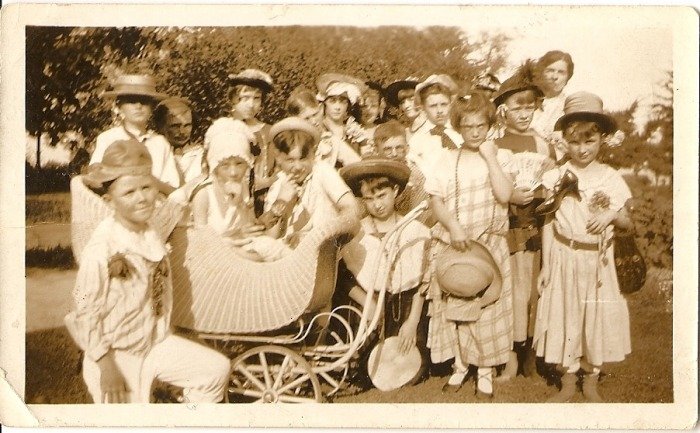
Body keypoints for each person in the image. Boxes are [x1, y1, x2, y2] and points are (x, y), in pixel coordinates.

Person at [65, 138, 231, 404]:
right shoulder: (102, 248)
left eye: (146, 188)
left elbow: (175, 203)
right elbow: (84, 313)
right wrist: (106, 365)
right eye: (129, 193)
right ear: (110, 201)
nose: (142, 198)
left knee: (214, 370)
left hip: (154, 343)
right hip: (116, 354)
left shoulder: (149, 230)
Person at [534, 92, 633, 403]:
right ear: (565, 141)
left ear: (601, 140)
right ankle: (567, 379)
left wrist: (611, 215)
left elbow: (629, 223)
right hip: (564, 257)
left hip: (597, 262)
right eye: (575, 142)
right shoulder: (555, 177)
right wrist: (547, 267)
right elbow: (548, 223)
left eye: (589, 141)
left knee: (595, 316)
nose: (583, 149)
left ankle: (590, 378)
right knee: (566, 315)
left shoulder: (611, 178)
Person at [424, 91, 513, 399]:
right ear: (458, 128)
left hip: (489, 244)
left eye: (481, 126)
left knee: (486, 310)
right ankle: (460, 366)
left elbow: (504, 195)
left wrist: (490, 157)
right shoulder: (448, 159)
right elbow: (437, 201)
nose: (475, 132)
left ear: (489, 125)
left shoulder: (500, 156)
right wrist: (454, 227)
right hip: (457, 241)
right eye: (468, 127)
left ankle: (485, 371)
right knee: (458, 306)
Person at [339, 157, 431, 383]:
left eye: (382, 196)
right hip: (369, 305)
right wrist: (368, 304)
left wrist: (412, 322)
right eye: (369, 199)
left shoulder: (414, 230)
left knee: (411, 368)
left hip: (406, 305)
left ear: (396, 191)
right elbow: (345, 278)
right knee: (367, 371)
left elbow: (422, 283)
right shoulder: (357, 234)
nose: (377, 205)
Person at [491, 65, 556, 380]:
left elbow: (553, 184)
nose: (524, 113)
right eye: (517, 107)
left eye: (529, 107)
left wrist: (541, 192)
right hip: (507, 223)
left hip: (536, 223)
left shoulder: (543, 145)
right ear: (504, 109)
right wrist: (511, 196)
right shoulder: (496, 145)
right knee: (511, 289)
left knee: (533, 289)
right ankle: (511, 356)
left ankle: (530, 352)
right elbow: (492, 186)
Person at [264, 117, 361, 247]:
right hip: (290, 258)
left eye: (303, 159)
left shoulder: (321, 171)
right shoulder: (278, 186)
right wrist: (281, 202)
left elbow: (351, 207)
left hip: (326, 248)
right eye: (290, 160)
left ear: (313, 155)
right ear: (279, 159)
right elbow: (270, 240)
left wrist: (319, 235)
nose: (297, 167)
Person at [90, 74, 180, 194]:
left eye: (144, 102)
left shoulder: (160, 143)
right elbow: (94, 176)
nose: (138, 106)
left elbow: (173, 189)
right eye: (131, 101)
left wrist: (148, 180)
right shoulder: (108, 138)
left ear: (152, 108)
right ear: (119, 107)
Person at [209, 69, 276, 216]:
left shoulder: (268, 132)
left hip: (264, 199)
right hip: (230, 198)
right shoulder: (223, 129)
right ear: (233, 98)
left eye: (256, 98)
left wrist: (267, 182)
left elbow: (277, 170)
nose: (251, 104)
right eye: (245, 98)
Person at [373, 120, 431, 224]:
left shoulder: (416, 176)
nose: (394, 154)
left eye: (399, 148)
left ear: (407, 148)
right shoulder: (371, 175)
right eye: (387, 149)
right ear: (376, 150)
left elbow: (420, 217)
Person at [407, 74, 464, 177]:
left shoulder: (461, 132)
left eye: (444, 104)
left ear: (450, 104)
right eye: (433, 106)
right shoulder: (416, 142)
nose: (439, 111)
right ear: (423, 108)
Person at [315, 73, 367, 168]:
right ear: (324, 104)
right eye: (332, 101)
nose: (338, 107)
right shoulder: (319, 130)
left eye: (343, 102)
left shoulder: (354, 132)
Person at [531, 51, 575, 161]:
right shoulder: (528, 100)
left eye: (561, 72)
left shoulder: (570, 107)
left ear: (568, 77)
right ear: (542, 73)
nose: (555, 76)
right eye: (550, 71)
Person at [154, 97, 205, 183]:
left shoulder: (202, 155)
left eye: (187, 125)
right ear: (161, 127)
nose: (182, 132)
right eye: (175, 126)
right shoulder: (155, 154)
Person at [358, 81, 386, 155]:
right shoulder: (351, 130)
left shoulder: (384, 130)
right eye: (364, 106)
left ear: (379, 108)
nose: (368, 111)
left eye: (373, 106)